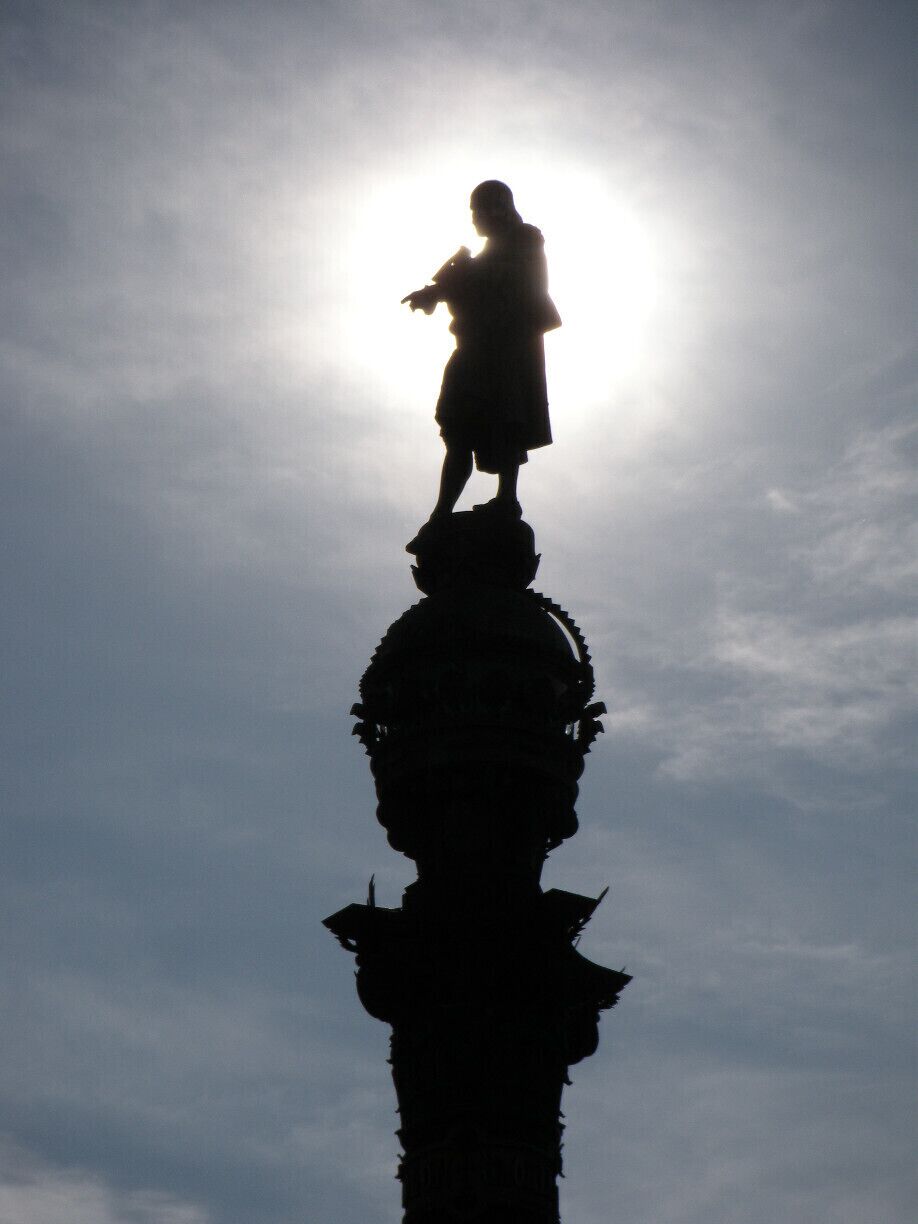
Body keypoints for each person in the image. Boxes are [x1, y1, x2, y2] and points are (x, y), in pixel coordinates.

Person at [402, 180, 561, 519]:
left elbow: (519, 286)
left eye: (478, 210)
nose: (474, 218)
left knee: (505, 421)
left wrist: (460, 281)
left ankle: (507, 498)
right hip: (471, 350)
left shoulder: (524, 239)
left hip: (502, 352)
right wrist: (433, 292)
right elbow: (459, 286)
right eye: (472, 211)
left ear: (498, 208)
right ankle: (442, 513)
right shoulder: (478, 260)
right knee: (457, 429)